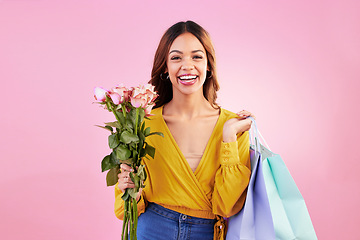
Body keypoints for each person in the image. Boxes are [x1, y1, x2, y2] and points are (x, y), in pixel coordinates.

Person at [114, 20, 254, 240]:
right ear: (165, 67)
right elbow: (124, 211)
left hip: (206, 232)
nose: (187, 65)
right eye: (176, 57)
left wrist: (228, 138)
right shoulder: (142, 124)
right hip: (151, 228)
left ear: (208, 65)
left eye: (196, 56)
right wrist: (130, 190)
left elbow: (227, 207)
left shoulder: (234, 128)